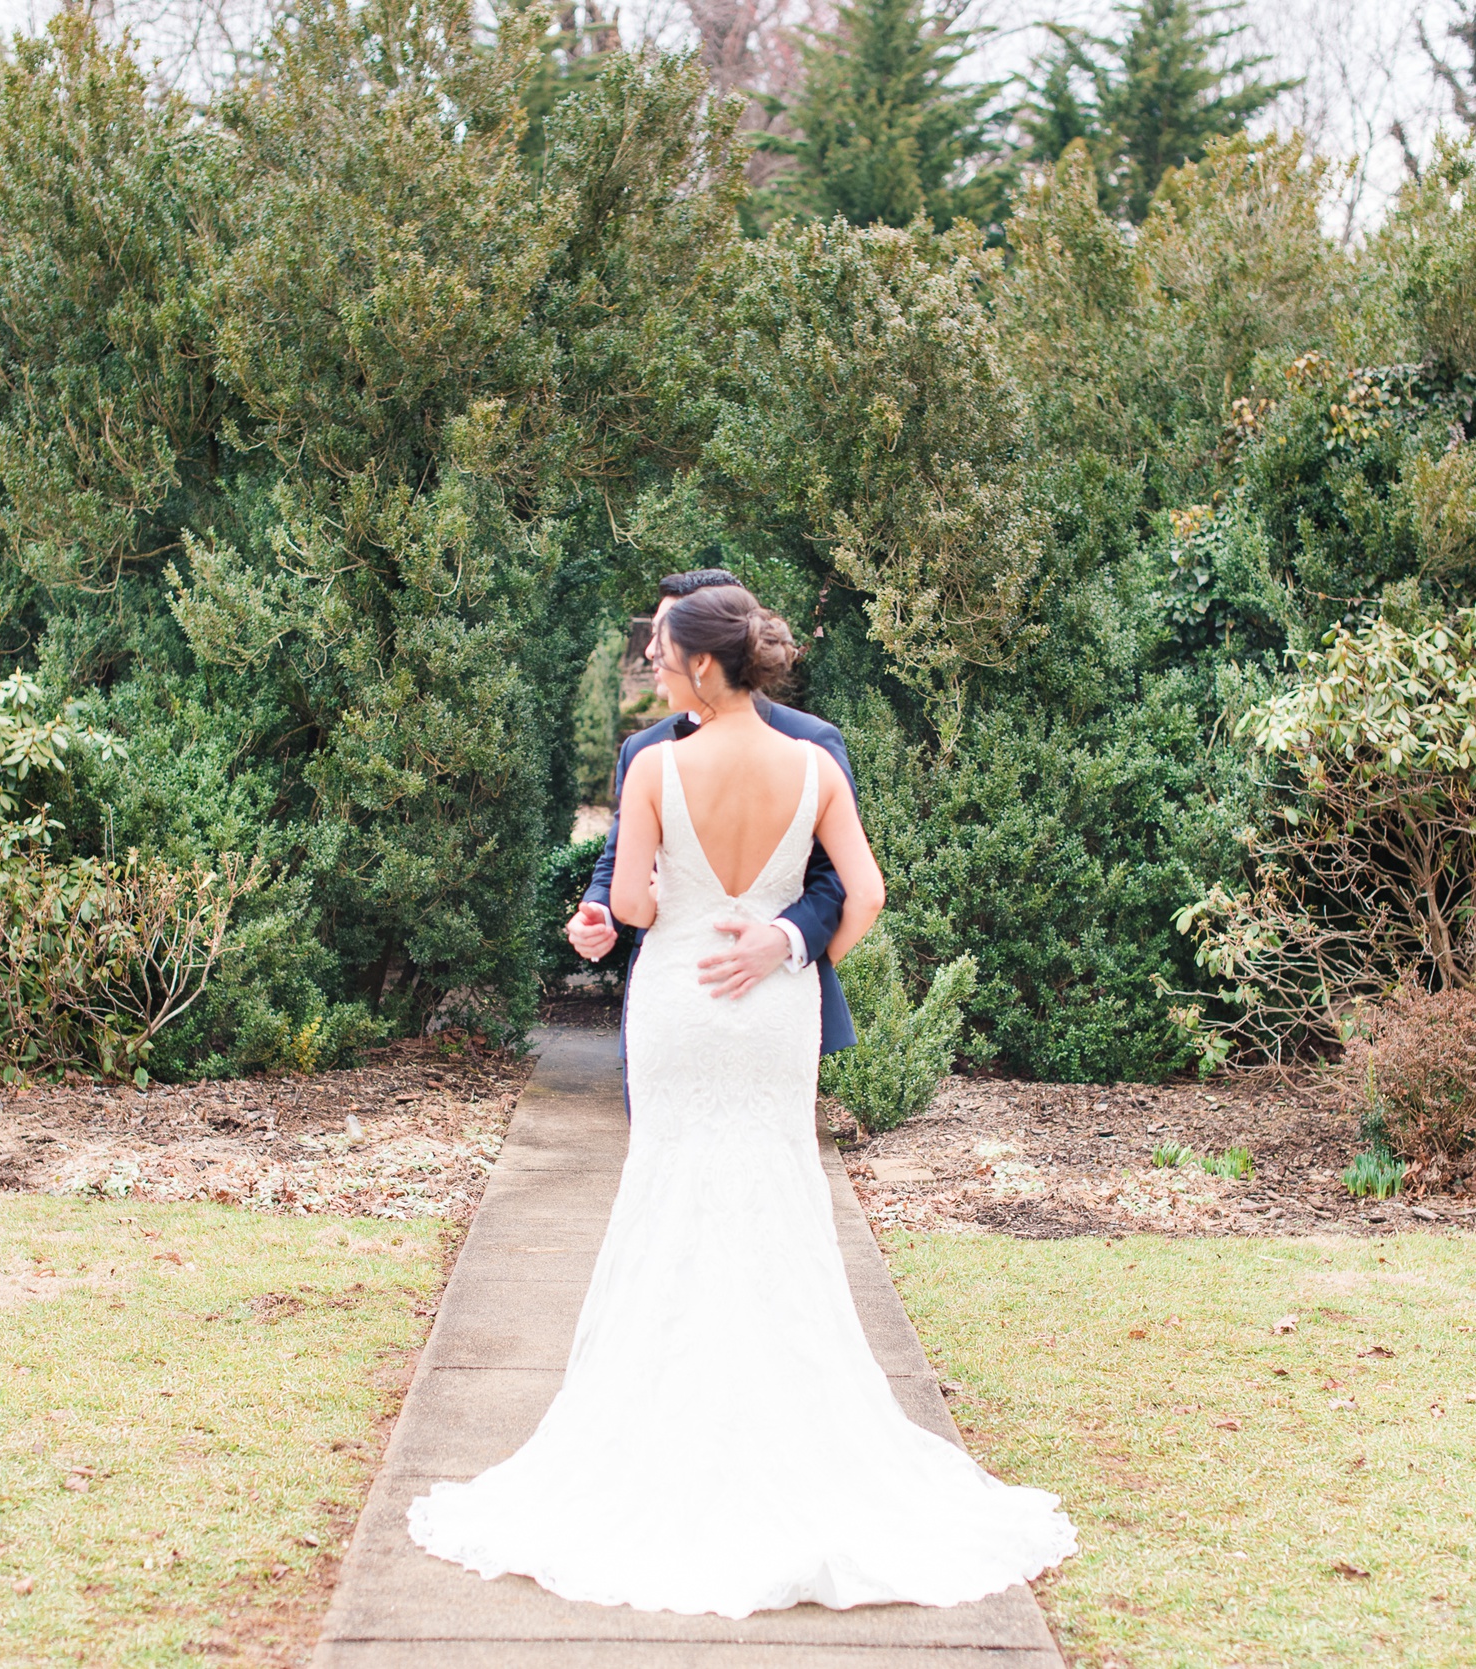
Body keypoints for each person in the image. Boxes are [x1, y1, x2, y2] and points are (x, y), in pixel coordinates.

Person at [406, 584, 1074, 1617]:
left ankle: (657, 1426)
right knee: (774, 1186)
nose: (654, 669)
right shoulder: (806, 766)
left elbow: (631, 902)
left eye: (662, 655)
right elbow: (868, 890)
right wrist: (805, 960)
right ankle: (793, 1425)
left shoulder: (658, 766)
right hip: (771, 1016)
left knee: (670, 1186)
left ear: (704, 666)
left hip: (681, 1000)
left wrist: (658, 911)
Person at [569, 570, 856, 1109]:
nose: (653, 650)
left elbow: (836, 879)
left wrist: (789, 941)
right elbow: (616, 865)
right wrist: (599, 912)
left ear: (706, 648)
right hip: (675, 998)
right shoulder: (643, 750)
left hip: (772, 995)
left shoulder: (812, 741)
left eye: (665, 636)